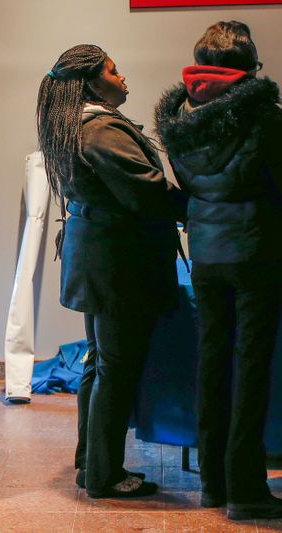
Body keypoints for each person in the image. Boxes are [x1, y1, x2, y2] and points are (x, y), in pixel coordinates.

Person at [36, 45, 185, 498]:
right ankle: (103, 474)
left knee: (100, 364)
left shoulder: (76, 123)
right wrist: (205, 202)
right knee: (114, 370)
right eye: (114, 72)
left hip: (100, 261)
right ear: (92, 82)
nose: (123, 78)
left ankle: (91, 465)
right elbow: (147, 191)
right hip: (118, 265)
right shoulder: (100, 129)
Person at [155, 21, 282, 520]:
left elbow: (189, 188)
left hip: (207, 253)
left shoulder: (182, 120)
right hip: (258, 253)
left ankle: (214, 482)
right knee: (250, 370)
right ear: (248, 67)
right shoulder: (266, 118)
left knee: (211, 364)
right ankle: (248, 490)